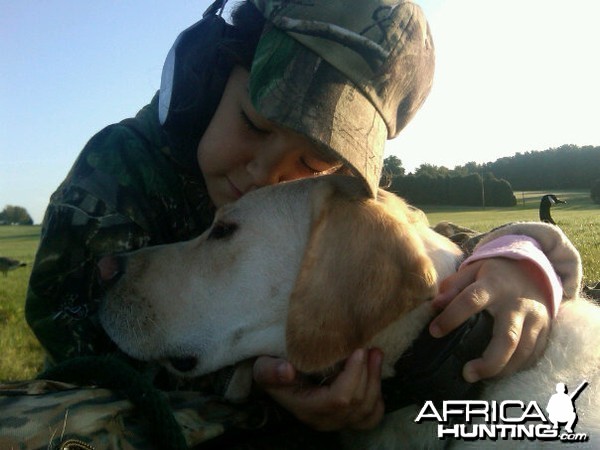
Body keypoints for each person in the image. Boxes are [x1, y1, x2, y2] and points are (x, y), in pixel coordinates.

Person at [24, 0, 582, 446]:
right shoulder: (121, 166)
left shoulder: (317, 212)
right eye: (253, 122)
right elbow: (82, 346)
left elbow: (411, 241)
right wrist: (273, 389)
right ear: (204, 78)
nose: (267, 173)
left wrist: (514, 260)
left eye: (313, 163)